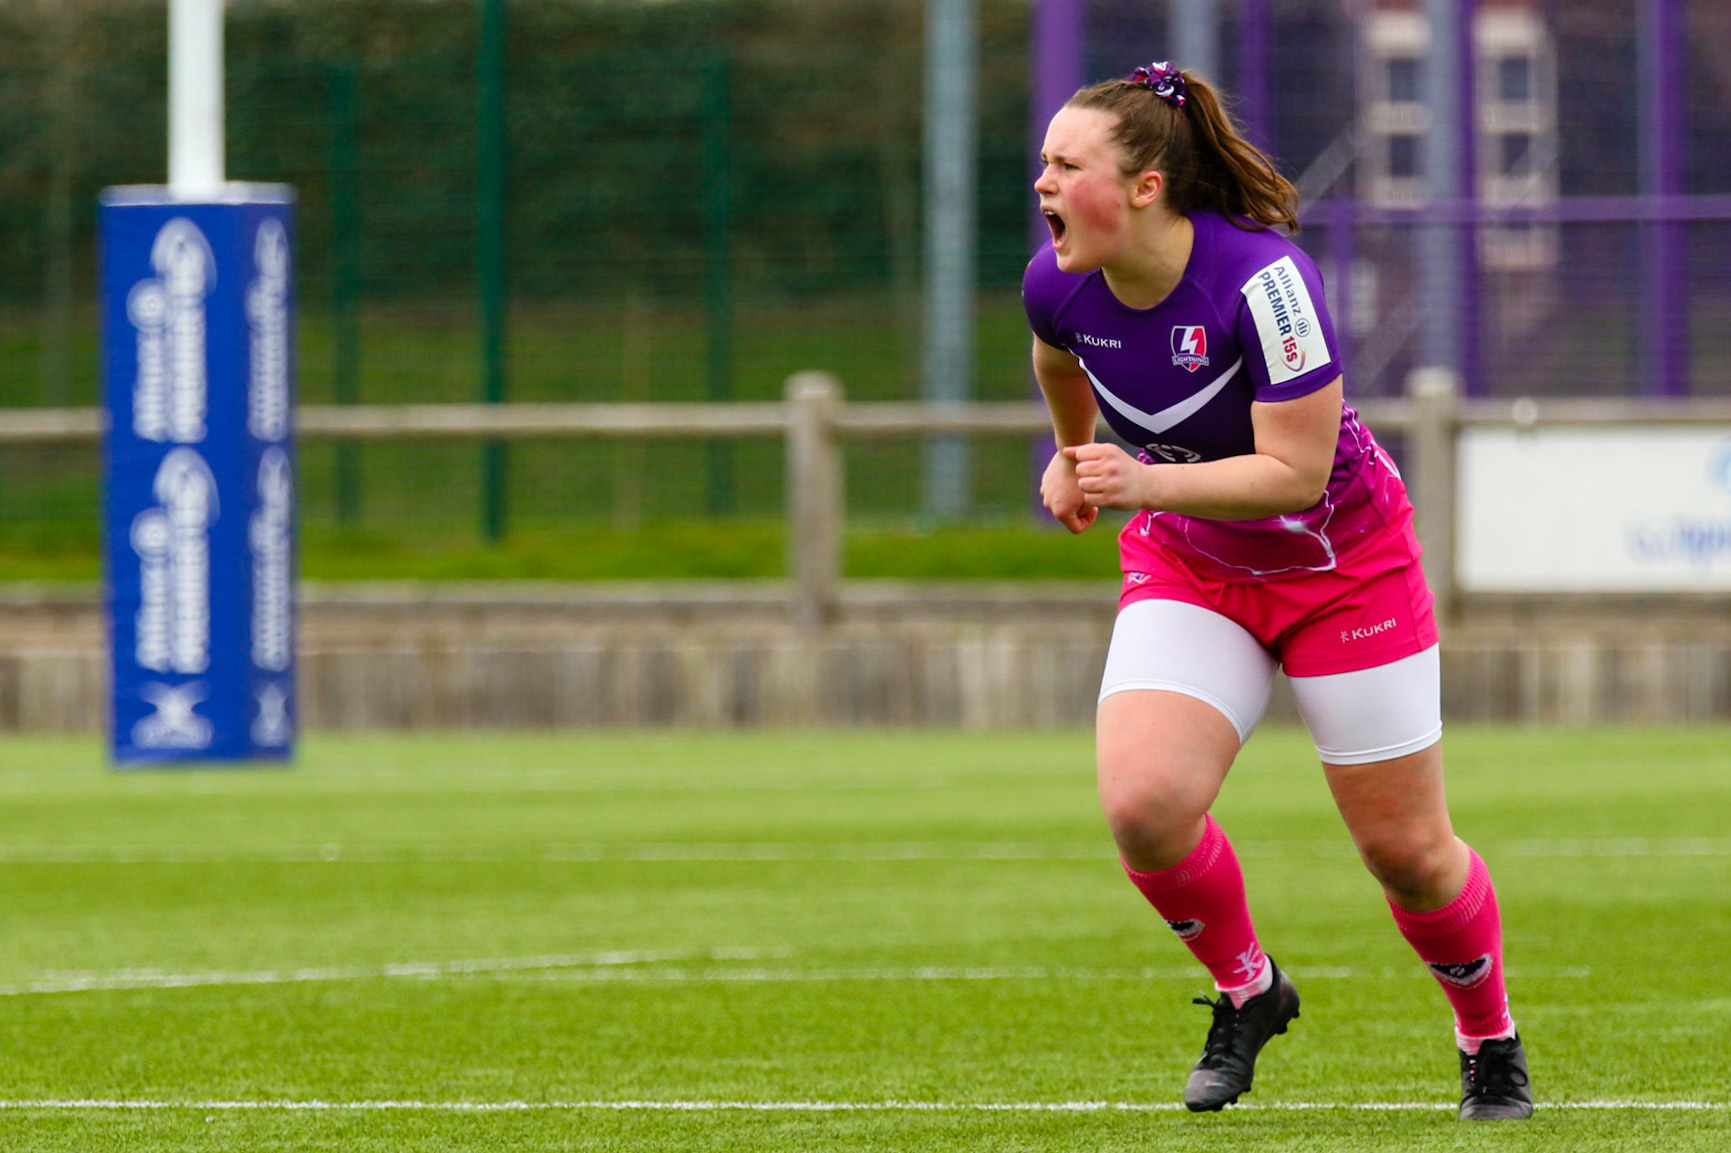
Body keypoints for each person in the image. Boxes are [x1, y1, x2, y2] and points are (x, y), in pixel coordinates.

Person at [1023, 61, 1532, 1119]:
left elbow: (1295, 475)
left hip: (1344, 570)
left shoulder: (1267, 283)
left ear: (1146, 187)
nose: (1044, 184)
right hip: (1193, 564)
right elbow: (1057, 361)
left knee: (1407, 853)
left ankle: (1488, 1038)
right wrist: (1073, 456)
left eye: (1068, 166)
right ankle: (1249, 989)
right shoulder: (1056, 282)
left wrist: (1138, 480)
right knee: (1144, 807)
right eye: (1044, 164)